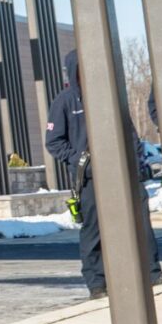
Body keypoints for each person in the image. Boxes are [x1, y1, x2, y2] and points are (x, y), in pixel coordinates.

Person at [44, 47, 111, 299]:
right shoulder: (64, 101)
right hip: (88, 179)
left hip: (115, 176)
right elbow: (53, 142)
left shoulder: (105, 97)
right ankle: (96, 282)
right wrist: (80, 159)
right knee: (93, 230)